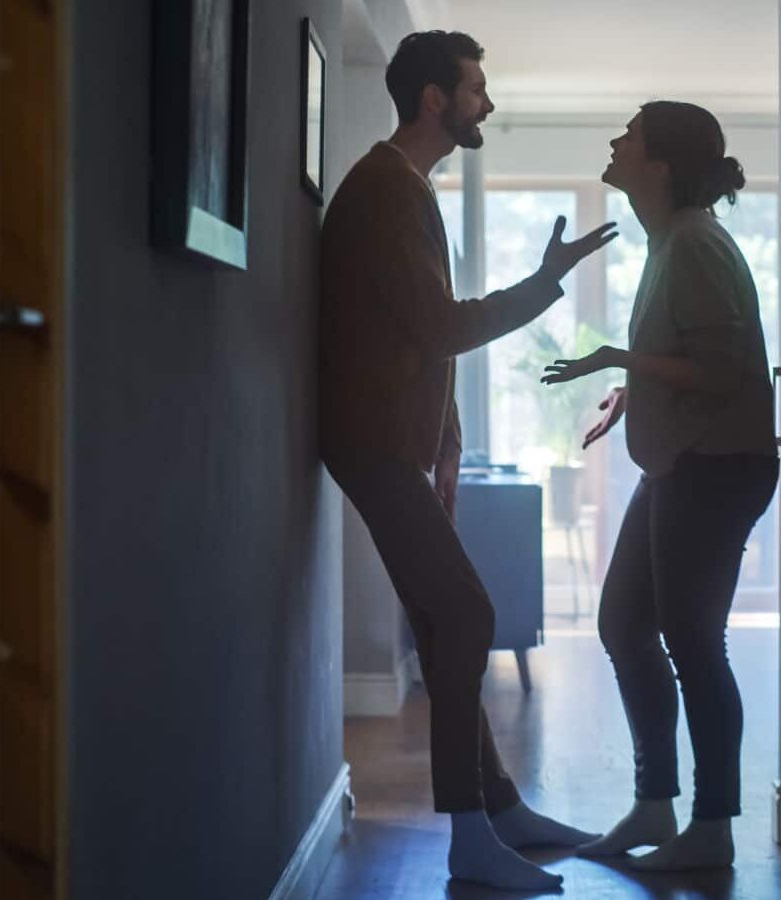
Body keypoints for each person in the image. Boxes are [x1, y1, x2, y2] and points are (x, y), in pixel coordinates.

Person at [319, 31, 617, 891]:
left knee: (446, 620)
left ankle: (501, 812)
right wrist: (545, 282)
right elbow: (441, 327)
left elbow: (416, 335)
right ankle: (471, 838)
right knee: (468, 615)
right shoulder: (386, 189)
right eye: (476, 88)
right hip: (371, 444)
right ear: (435, 100)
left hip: (390, 445)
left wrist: (446, 444)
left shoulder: (406, 186)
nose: (487, 102)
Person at [540, 101, 778, 871]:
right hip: (686, 462)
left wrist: (619, 360)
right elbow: (694, 360)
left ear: (662, 164)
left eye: (632, 135)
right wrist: (635, 390)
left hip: (717, 467)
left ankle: (711, 828)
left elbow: (724, 373)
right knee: (624, 623)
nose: (616, 141)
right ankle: (655, 805)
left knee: (693, 642)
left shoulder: (695, 243)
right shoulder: (671, 239)